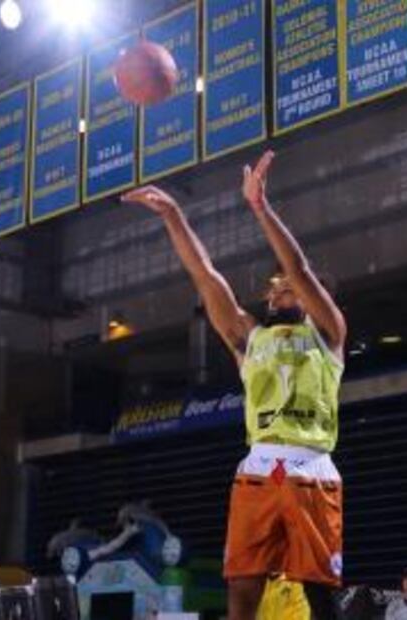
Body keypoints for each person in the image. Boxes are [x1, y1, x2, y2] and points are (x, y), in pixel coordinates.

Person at [123, 150, 347, 620]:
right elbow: (205, 276)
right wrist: (173, 216)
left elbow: (299, 268)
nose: (277, 289)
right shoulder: (250, 338)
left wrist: (260, 207)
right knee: (241, 593)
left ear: (312, 298)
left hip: (312, 468)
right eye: (272, 288)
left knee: (321, 598)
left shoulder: (328, 334)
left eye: (286, 286)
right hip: (258, 466)